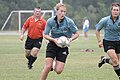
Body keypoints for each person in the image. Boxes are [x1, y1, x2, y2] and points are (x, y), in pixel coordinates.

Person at [39, 3, 79, 80]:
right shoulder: (50, 21)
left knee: (58, 71)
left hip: (64, 47)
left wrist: (70, 39)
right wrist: (54, 40)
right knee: (47, 67)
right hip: (53, 44)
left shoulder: (69, 22)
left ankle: (53, 63)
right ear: (56, 11)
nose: (63, 13)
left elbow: (77, 34)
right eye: (61, 11)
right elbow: (45, 35)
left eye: (64, 11)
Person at [95, 2, 120, 79]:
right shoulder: (105, 20)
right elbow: (97, 30)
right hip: (108, 42)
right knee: (115, 60)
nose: (115, 11)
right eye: (114, 10)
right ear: (111, 11)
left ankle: (104, 60)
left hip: (118, 42)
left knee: (116, 62)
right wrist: (99, 41)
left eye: (117, 10)